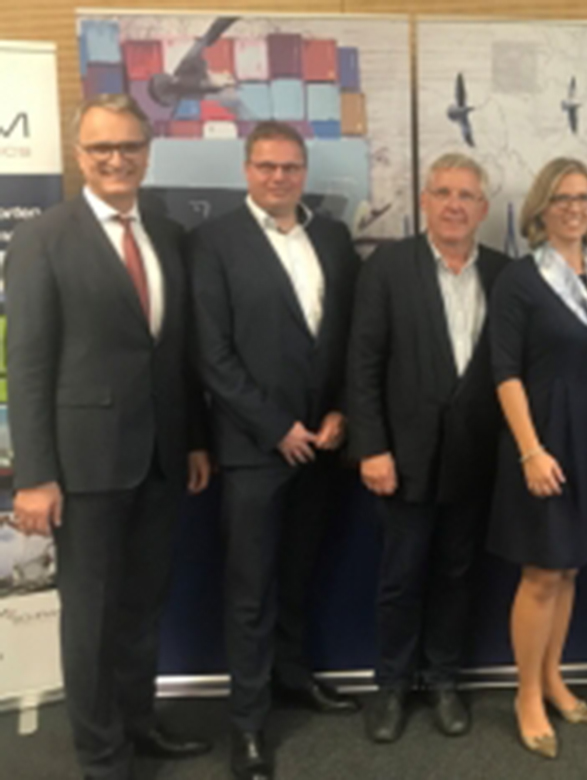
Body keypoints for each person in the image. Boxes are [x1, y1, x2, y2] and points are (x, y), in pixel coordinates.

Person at [5, 93, 212, 780]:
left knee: (142, 606)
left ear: (147, 153)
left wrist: (193, 440)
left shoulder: (167, 231)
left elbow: (176, 353)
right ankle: (101, 756)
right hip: (83, 466)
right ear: (79, 155)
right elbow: (27, 365)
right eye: (102, 148)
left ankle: (138, 724)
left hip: (160, 458)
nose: (116, 159)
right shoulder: (43, 238)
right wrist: (35, 475)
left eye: (129, 146)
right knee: (91, 619)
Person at [188, 121, 360, 780]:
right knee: (250, 591)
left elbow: (350, 336)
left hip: (321, 445)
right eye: (266, 166)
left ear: (304, 171)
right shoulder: (213, 242)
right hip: (256, 451)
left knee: (298, 575)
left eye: (290, 166)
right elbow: (212, 355)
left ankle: (291, 677)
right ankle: (248, 722)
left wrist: (340, 409)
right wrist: (275, 427)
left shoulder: (333, 238)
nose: (279, 177)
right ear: (247, 169)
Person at [347, 153, 509, 743]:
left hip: (474, 458)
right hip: (403, 460)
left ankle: (443, 681)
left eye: (466, 195)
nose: (454, 205)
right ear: (424, 201)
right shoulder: (388, 268)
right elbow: (363, 365)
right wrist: (371, 447)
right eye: (443, 193)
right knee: (400, 578)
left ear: (483, 208)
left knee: (457, 575)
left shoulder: (505, 273)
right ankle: (392, 686)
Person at [487, 157, 587, 760]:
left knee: (569, 569)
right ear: (542, 207)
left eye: (583, 197)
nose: (574, 208)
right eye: (562, 198)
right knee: (542, 572)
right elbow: (505, 371)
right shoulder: (520, 279)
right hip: (542, 439)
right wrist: (531, 451)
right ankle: (526, 697)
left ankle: (552, 677)